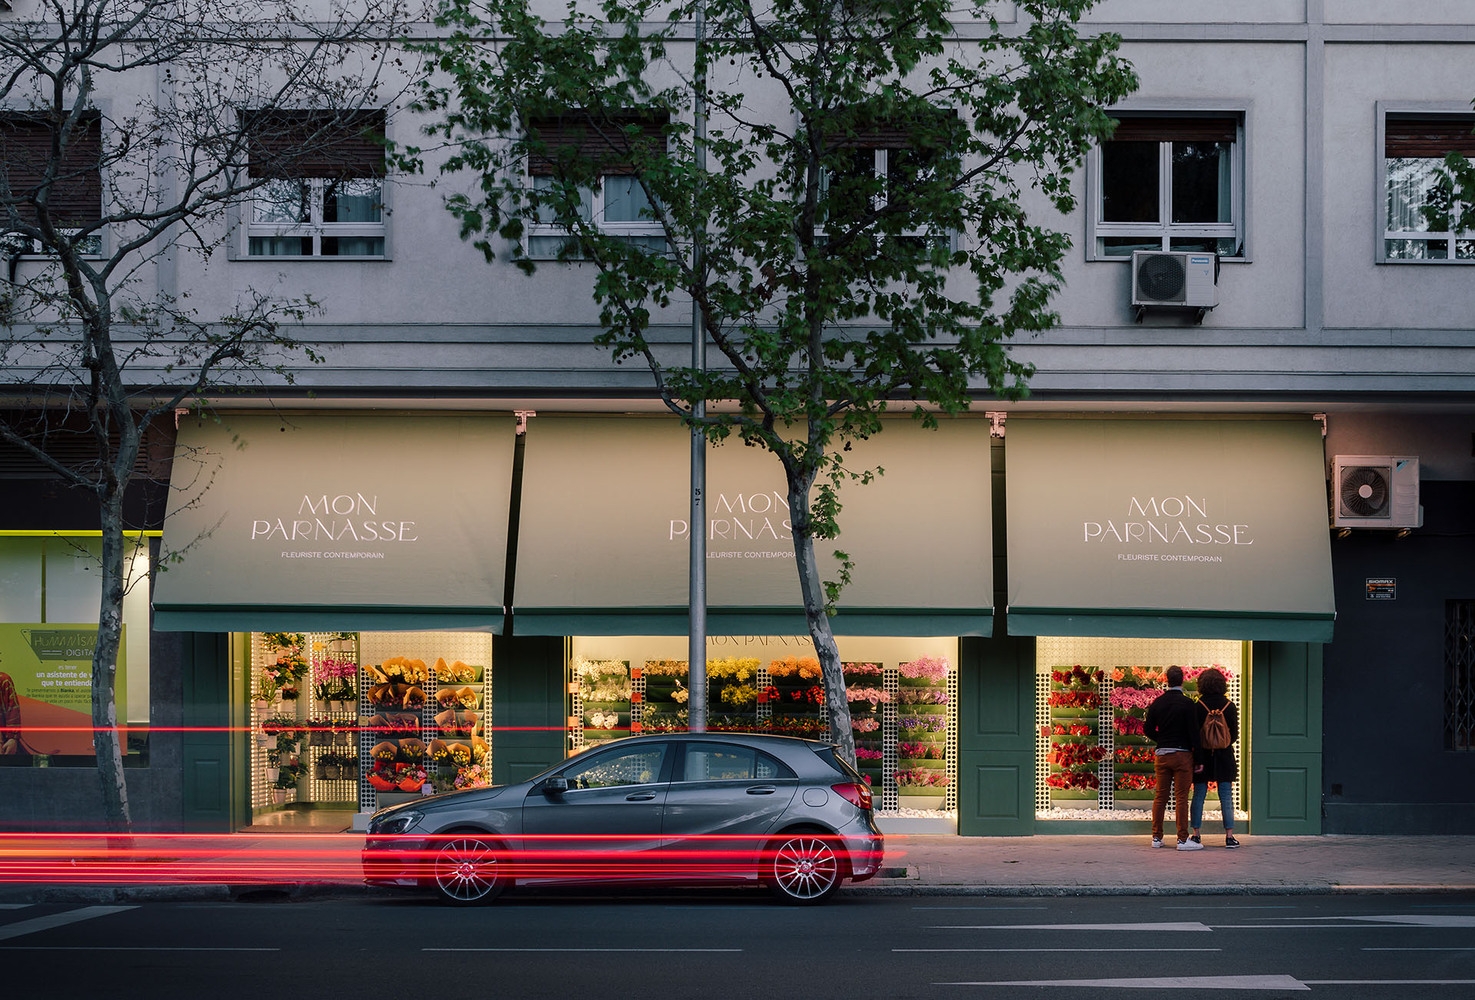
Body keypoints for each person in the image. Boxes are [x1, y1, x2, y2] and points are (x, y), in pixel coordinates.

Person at [1143, 665, 1201, 850]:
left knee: (1160, 796)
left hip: (1162, 755)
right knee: (1181, 797)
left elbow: (1147, 729)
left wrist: (1162, 739)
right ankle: (1182, 839)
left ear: (1166, 680)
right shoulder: (1188, 704)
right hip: (1183, 754)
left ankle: (1156, 838)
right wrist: (1198, 758)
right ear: (1182, 680)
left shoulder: (1157, 703)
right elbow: (1195, 733)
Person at [1190, 667, 1241, 848]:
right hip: (1224, 756)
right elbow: (1233, 735)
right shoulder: (1230, 706)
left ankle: (1196, 834)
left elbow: (1195, 735)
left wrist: (1198, 756)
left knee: (1199, 795)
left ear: (1201, 684)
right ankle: (1229, 836)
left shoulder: (1198, 706)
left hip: (1203, 756)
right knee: (1226, 796)